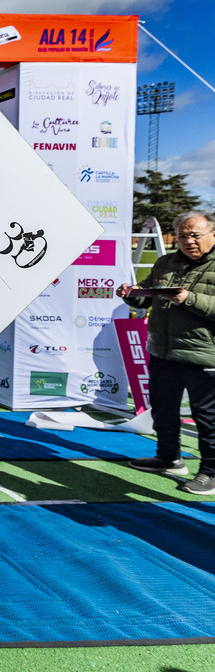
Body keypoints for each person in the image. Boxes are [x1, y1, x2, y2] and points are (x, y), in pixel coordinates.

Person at [118, 210, 215, 495]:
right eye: (183, 236)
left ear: (212, 234)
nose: (188, 241)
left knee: (208, 418)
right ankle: (169, 457)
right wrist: (132, 293)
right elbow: (147, 294)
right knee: (163, 409)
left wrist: (190, 298)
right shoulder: (165, 262)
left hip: (205, 355)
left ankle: (210, 472)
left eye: (195, 235)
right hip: (163, 350)